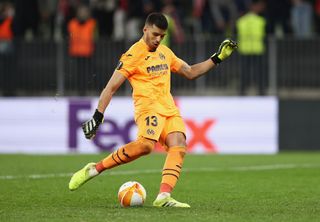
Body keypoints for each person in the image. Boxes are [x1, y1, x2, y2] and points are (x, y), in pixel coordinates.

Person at [68, 12, 237, 208]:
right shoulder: (132, 55)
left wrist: (218, 58)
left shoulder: (165, 52)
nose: (158, 39)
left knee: (179, 144)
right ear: (145, 29)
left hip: (169, 108)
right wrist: (98, 116)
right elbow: (110, 87)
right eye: (155, 34)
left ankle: (163, 196)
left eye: (162, 36)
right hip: (148, 109)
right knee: (146, 146)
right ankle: (94, 169)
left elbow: (190, 72)